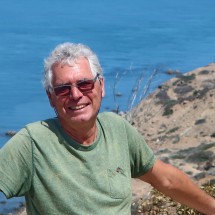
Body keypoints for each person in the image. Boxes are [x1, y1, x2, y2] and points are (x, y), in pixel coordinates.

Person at [0, 42, 214, 215]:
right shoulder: (33, 141)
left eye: (84, 84)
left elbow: (165, 179)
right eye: (63, 89)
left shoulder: (117, 128)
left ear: (101, 86)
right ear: (51, 98)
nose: (75, 95)